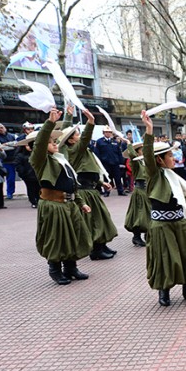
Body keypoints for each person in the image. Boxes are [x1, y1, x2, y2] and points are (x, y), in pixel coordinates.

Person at [140, 112, 186, 307]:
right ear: (159, 160)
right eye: (170, 155)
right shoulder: (155, 176)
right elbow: (147, 155)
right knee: (165, 259)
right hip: (161, 225)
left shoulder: (174, 177)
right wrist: (148, 130)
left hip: (180, 222)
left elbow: (183, 200)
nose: (174, 158)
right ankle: (163, 293)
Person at [29, 108, 92, 285]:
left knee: (72, 237)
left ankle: (71, 268)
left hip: (69, 205)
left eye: (55, 141)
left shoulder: (61, 159)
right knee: (56, 238)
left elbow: (72, 184)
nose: (55, 144)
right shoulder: (40, 161)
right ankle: (55, 270)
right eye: (51, 142)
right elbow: (39, 145)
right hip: (53, 205)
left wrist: (80, 203)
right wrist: (49, 123)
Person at [59, 107, 118, 260]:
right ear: (71, 140)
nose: (80, 136)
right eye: (77, 134)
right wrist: (90, 122)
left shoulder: (81, 150)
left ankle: (102, 245)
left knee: (102, 218)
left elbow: (89, 170)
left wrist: (100, 182)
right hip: (84, 191)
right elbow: (69, 136)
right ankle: (95, 250)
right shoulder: (73, 150)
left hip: (91, 187)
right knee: (93, 221)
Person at [124, 142, 150, 247]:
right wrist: (129, 145)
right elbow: (132, 156)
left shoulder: (145, 162)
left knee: (148, 214)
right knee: (139, 215)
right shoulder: (135, 163)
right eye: (141, 149)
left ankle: (148, 235)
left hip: (148, 190)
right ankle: (136, 237)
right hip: (140, 190)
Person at [94, 127, 127, 196]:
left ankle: (120, 191)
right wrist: (99, 163)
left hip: (115, 163)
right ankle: (107, 191)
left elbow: (119, 153)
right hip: (105, 163)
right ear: (103, 133)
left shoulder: (114, 142)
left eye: (109, 132)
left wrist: (121, 162)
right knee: (107, 178)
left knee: (118, 178)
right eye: (106, 132)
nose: (108, 133)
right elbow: (97, 153)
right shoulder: (99, 142)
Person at [14, 131, 40, 208]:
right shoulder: (20, 155)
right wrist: (23, 173)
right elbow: (18, 165)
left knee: (38, 188)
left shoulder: (36, 154)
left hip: (37, 174)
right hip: (28, 176)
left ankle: (39, 200)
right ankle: (33, 201)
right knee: (31, 189)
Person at [0, 123, 18, 199]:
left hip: (14, 159)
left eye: (1, 127)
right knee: (7, 178)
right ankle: (8, 193)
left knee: (13, 178)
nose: (0, 129)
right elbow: (0, 148)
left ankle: (10, 192)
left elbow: (17, 145)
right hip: (4, 161)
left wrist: (6, 145)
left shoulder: (13, 136)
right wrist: (10, 145)